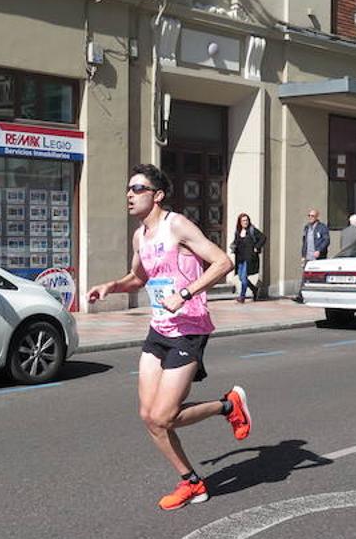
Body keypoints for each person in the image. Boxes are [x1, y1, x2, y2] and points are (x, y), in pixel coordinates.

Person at [87, 164, 253, 511]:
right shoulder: (140, 236)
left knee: (164, 416)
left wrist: (187, 293)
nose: (129, 195)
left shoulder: (175, 224)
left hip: (189, 329)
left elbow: (222, 262)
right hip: (158, 330)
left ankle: (229, 406)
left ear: (157, 195)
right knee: (150, 416)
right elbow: (139, 277)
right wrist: (111, 286)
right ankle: (192, 483)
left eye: (137, 188)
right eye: (128, 189)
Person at [294, 208, 329, 302]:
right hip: (308, 256)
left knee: (319, 277)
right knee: (305, 276)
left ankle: (321, 295)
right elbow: (304, 242)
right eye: (309, 215)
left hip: (318, 257)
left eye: (312, 216)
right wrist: (303, 256)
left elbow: (326, 240)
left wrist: (319, 250)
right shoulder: (307, 227)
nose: (310, 217)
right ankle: (300, 296)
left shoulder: (322, 227)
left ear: (317, 217)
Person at [230, 213, 265, 303]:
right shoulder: (238, 232)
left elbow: (263, 237)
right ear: (240, 222)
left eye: (246, 220)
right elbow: (236, 242)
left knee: (244, 277)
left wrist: (257, 247)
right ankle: (254, 289)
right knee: (241, 278)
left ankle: (242, 297)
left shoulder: (252, 230)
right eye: (243, 221)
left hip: (249, 258)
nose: (245, 222)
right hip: (240, 258)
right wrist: (233, 246)